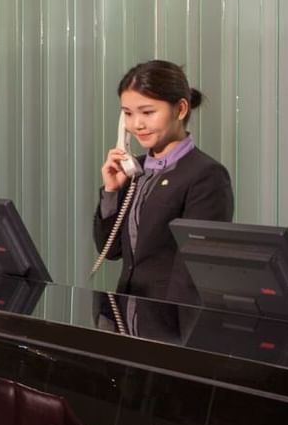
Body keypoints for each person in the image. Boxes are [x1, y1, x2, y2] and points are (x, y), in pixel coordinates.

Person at [92, 60, 233, 304]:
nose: (136, 124)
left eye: (147, 112)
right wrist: (112, 190)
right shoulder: (133, 172)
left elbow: (192, 272)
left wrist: (166, 336)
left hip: (169, 323)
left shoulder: (206, 175)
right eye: (127, 113)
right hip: (127, 315)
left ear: (180, 110)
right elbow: (110, 250)